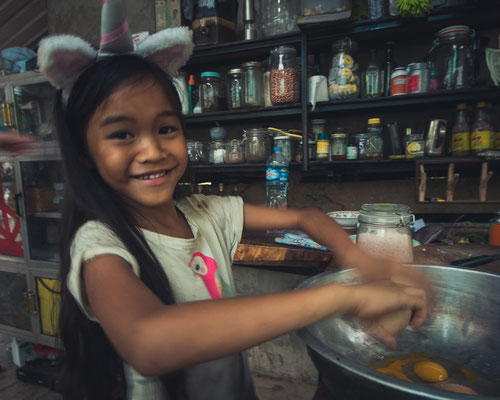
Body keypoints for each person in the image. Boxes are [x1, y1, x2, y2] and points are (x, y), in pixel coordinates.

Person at [37, 2, 432, 399]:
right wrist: (345, 295)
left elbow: (308, 217)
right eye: (122, 134)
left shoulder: (207, 212)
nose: (152, 150)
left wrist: (359, 261)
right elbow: (148, 342)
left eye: (166, 128)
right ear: (85, 153)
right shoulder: (100, 244)